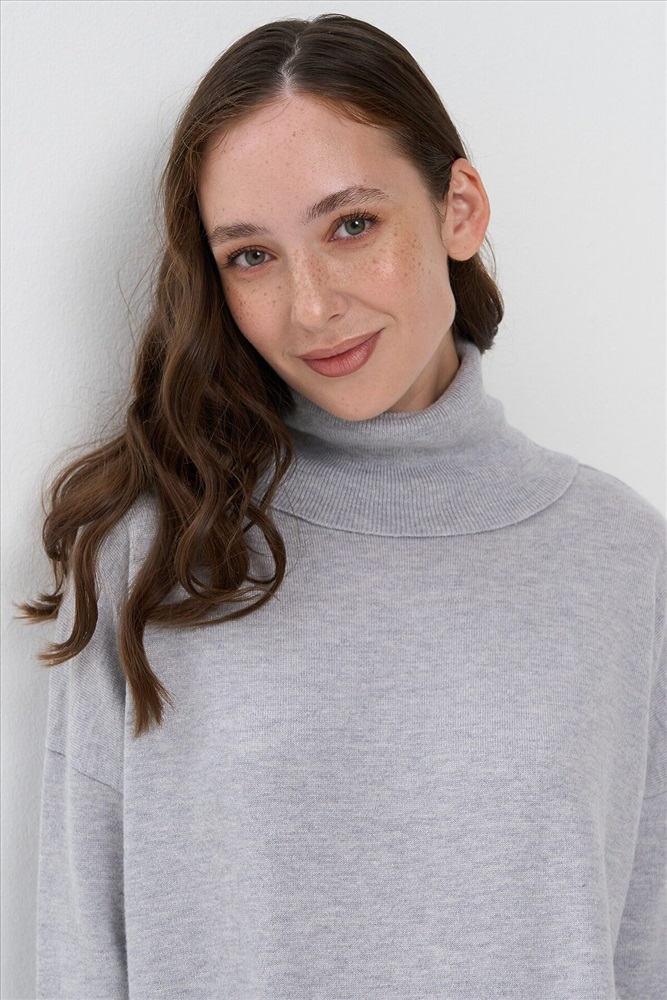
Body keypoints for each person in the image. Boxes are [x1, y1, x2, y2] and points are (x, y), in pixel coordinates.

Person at [23, 13, 665, 1000]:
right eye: (251, 255)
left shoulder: (622, 558)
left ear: (459, 209)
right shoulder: (151, 553)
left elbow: (644, 944)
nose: (311, 307)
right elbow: (79, 957)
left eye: (351, 225)